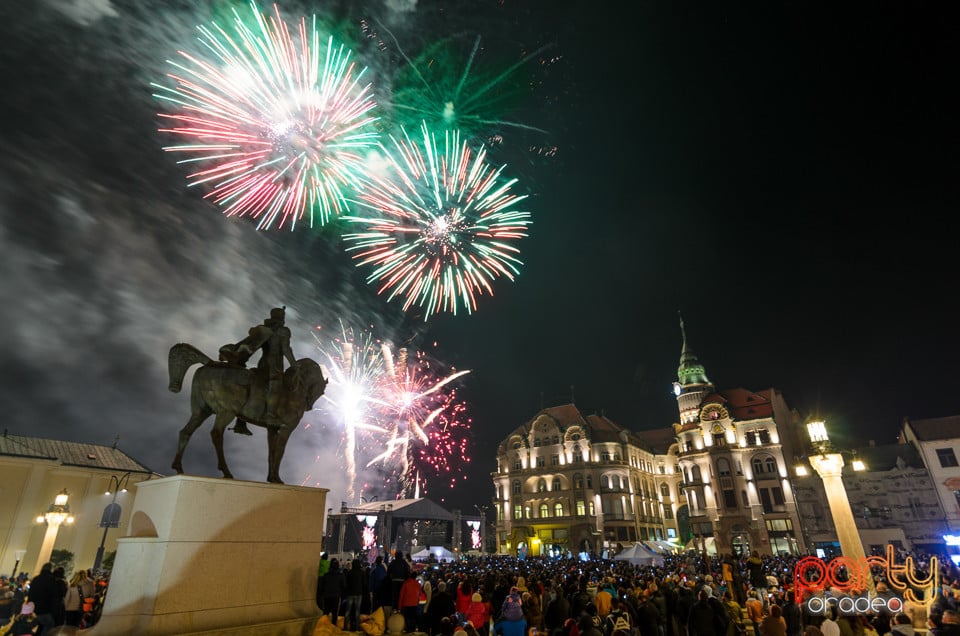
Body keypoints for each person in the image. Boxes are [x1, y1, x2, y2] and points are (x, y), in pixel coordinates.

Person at [221, 306, 300, 433]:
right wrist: (294, 365)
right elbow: (286, 349)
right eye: (283, 317)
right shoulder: (283, 331)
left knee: (254, 386)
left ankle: (241, 422)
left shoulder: (266, 329)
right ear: (281, 317)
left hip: (262, 364)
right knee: (277, 386)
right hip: (274, 367)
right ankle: (271, 415)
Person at [26, 562, 58, 634]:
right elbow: (53, 596)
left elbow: (30, 593)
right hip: (44, 609)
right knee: (49, 625)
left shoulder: (36, 579)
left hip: (33, 608)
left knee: (31, 626)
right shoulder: (52, 580)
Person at [344, 558, 365, 632]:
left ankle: (345, 627)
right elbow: (364, 583)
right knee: (357, 611)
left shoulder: (350, 572)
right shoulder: (362, 573)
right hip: (359, 593)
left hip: (350, 593)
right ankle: (357, 628)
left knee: (347, 611)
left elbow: (346, 583)